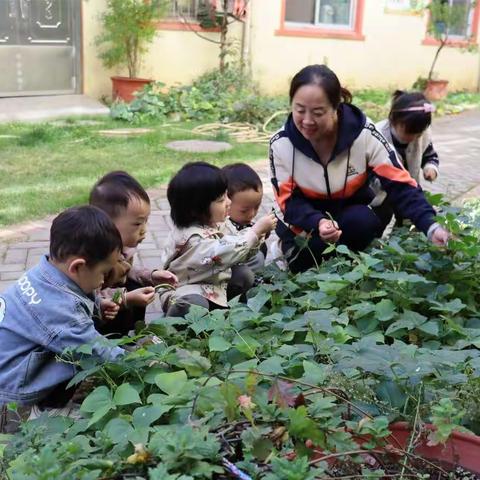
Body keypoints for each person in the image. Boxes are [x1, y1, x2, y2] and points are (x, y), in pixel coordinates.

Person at [269, 64, 449, 273]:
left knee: (365, 221)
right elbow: (289, 203)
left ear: (336, 106)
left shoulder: (364, 135)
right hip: (306, 226)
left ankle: (347, 265)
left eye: (318, 112)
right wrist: (318, 222)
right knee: (302, 265)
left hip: (347, 216)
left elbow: (401, 183)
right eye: (299, 110)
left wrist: (430, 226)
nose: (307, 121)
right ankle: (287, 249)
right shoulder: (281, 144)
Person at [0, 206, 125, 431]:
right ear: (77, 266)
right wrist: (141, 364)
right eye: (104, 272)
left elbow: (65, 299)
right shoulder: (60, 314)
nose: (105, 280)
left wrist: (96, 305)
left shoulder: (43, 274)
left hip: (10, 373)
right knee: (84, 424)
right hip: (10, 404)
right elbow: (99, 351)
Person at [161, 161, 276, 317]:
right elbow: (226, 251)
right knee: (194, 304)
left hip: (211, 284)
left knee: (243, 274)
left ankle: (223, 313)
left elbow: (239, 249)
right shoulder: (192, 237)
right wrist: (255, 232)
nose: (229, 202)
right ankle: (176, 327)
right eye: (221, 200)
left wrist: (259, 237)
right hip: (184, 290)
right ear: (197, 209)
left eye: (227, 196)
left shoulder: (219, 223)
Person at [89, 171, 177, 337]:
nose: (144, 230)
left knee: (137, 286)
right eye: (137, 223)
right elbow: (92, 298)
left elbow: (126, 269)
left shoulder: (123, 247)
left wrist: (152, 275)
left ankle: (134, 335)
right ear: (107, 222)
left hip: (114, 300)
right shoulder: (94, 255)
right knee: (132, 294)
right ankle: (113, 343)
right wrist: (126, 299)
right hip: (97, 314)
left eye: (146, 221)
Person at [373, 91, 440, 224]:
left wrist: (430, 168)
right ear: (393, 119)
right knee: (379, 220)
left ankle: (401, 240)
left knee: (409, 219)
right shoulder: (377, 135)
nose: (414, 138)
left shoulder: (423, 134)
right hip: (382, 191)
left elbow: (429, 155)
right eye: (409, 132)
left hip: (408, 189)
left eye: (418, 133)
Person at [221, 163, 268, 274]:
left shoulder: (243, 222)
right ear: (225, 203)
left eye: (257, 207)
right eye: (244, 210)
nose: (252, 214)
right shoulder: (222, 227)